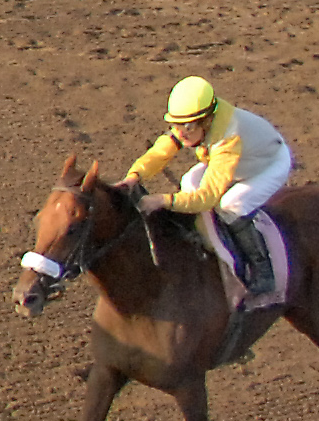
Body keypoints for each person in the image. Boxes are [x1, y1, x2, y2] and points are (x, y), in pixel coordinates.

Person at [125, 76, 295, 305]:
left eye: (186, 127)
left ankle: (264, 271)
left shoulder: (228, 137)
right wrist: (134, 176)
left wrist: (163, 200)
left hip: (267, 164)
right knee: (189, 181)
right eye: (175, 126)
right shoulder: (194, 123)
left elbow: (208, 197)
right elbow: (161, 152)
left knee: (231, 205)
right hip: (237, 160)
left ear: (206, 122)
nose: (180, 134)